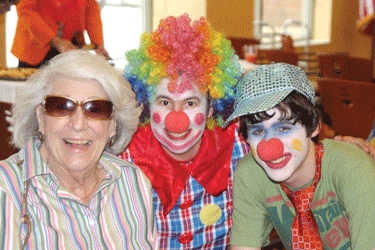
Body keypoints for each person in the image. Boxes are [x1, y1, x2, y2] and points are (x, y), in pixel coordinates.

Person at [0, 50, 158, 249]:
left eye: (96, 109)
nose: (78, 124)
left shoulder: (133, 182)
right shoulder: (7, 190)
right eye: (62, 106)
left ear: (112, 125)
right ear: (40, 117)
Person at [119, 14, 250, 249]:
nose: (175, 120)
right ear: (147, 105)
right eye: (164, 102)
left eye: (190, 103)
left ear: (211, 108)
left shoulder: (239, 145)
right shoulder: (126, 155)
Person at [226, 63, 375, 250]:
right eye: (257, 131)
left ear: (313, 127)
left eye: (284, 128)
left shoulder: (353, 168)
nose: (270, 147)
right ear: (246, 139)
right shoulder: (251, 173)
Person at [11, 0, 110, 68]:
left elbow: (91, 9)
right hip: (35, 46)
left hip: (71, 46)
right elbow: (26, 10)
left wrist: (98, 44)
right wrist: (55, 41)